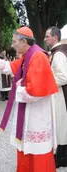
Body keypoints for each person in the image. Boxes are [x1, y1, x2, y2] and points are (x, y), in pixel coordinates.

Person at [0, 26, 58, 172]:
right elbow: (8, 67)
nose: (12, 45)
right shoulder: (27, 56)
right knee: (27, 148)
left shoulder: (38, 56)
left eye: (14, 41)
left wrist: (18, 88)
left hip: (37, 115)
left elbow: (36, 91)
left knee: (37, 152)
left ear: (24, 42)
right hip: (30, 113)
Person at [44, 26, 67, 168]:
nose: (45, 39)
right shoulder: (58, 52)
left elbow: (64, 77)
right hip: (59, 93)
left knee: (61, 125)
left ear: (55, 37)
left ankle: (62, 157)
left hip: (60, 95)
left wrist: (47, 84)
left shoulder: (58, 54)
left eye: (47, 36)